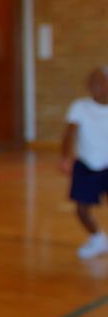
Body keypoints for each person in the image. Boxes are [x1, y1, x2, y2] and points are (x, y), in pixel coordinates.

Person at [60, 67, 108, 260]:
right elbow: (69, 134)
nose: (95, 86)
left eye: (100, 82)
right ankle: (98, 239)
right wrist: (65, 157)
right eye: (92, 82)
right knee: (81, 209)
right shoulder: (79, 107)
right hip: (86, 164)